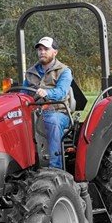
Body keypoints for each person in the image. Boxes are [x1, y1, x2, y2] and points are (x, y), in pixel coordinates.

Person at [23, 36, 73, 169]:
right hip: (34, 113)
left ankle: (55, 168)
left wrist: (47, 93)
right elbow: (23, 93)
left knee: (51, 120)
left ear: (55, 52)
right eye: (40, 49)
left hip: (58, 112)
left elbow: (62, 92)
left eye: (46, 49)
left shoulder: (64, 71)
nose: (42, 52)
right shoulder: (30, 72)